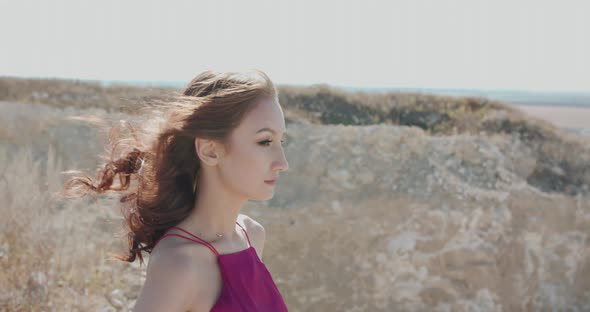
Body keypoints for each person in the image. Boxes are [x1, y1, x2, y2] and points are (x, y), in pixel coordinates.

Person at [63, 70, 290, 311]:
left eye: (280, 141)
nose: (282, 163)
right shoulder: (180, 264)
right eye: (265, 141)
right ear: (210, 150)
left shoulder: (251, 236)